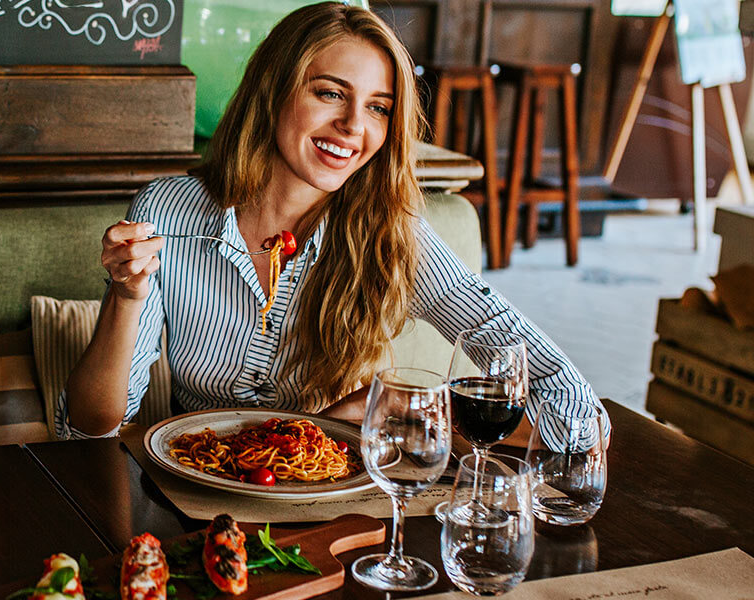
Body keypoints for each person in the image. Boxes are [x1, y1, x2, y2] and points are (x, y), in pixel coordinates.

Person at [55, 2, 609, 445]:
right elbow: (92, 423)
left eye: (378, 107)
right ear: (273, 92)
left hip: (327, 500)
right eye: (330, 94)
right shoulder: (167, 211)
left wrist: (410, 409)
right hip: (192, 487)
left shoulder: (391, 232)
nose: (351, 126)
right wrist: (126, 299)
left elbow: (565, 400)